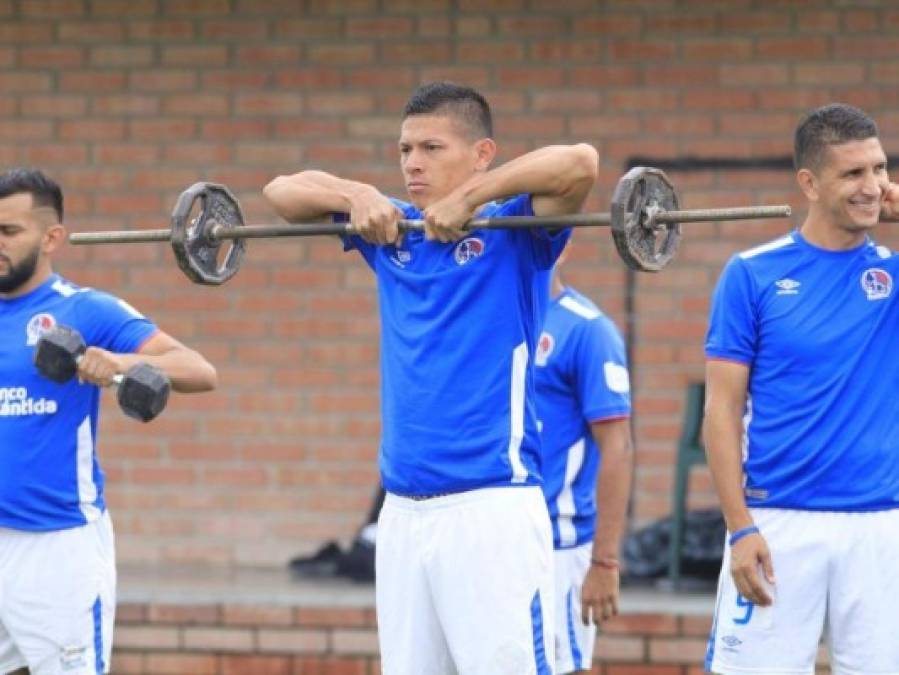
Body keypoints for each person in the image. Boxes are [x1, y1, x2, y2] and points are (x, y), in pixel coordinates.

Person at [264, 81, 598, 674]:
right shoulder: (393, 231)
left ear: (482, 153)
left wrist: (471, 199)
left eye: (432, 148)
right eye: (404, 150)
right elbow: (280, 192)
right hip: (402, 515)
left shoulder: (514, 229)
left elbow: (579, 164)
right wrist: (357, 192)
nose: (413, 163)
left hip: (489, 510)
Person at [702, 103, 899, 673]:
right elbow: (720, 413)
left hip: (880, 528)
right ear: (809, 183)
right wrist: (740, 527)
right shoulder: (751, 273)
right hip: (777, 524)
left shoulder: (892, 272)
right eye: (853, 173)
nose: (873, 186)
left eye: (880, 169)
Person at [0, 168, 218, 675]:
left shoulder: (85, 309)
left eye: (9, 232)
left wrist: (117, 363)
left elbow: (198, 370)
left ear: (51, 237)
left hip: (58, 549)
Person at [534, 251, 633, 675]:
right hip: (494, 538)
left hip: (560, 542)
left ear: (564, 243)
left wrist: (605, 561)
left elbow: (618, 447)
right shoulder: (486, 323)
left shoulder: (588, 330)